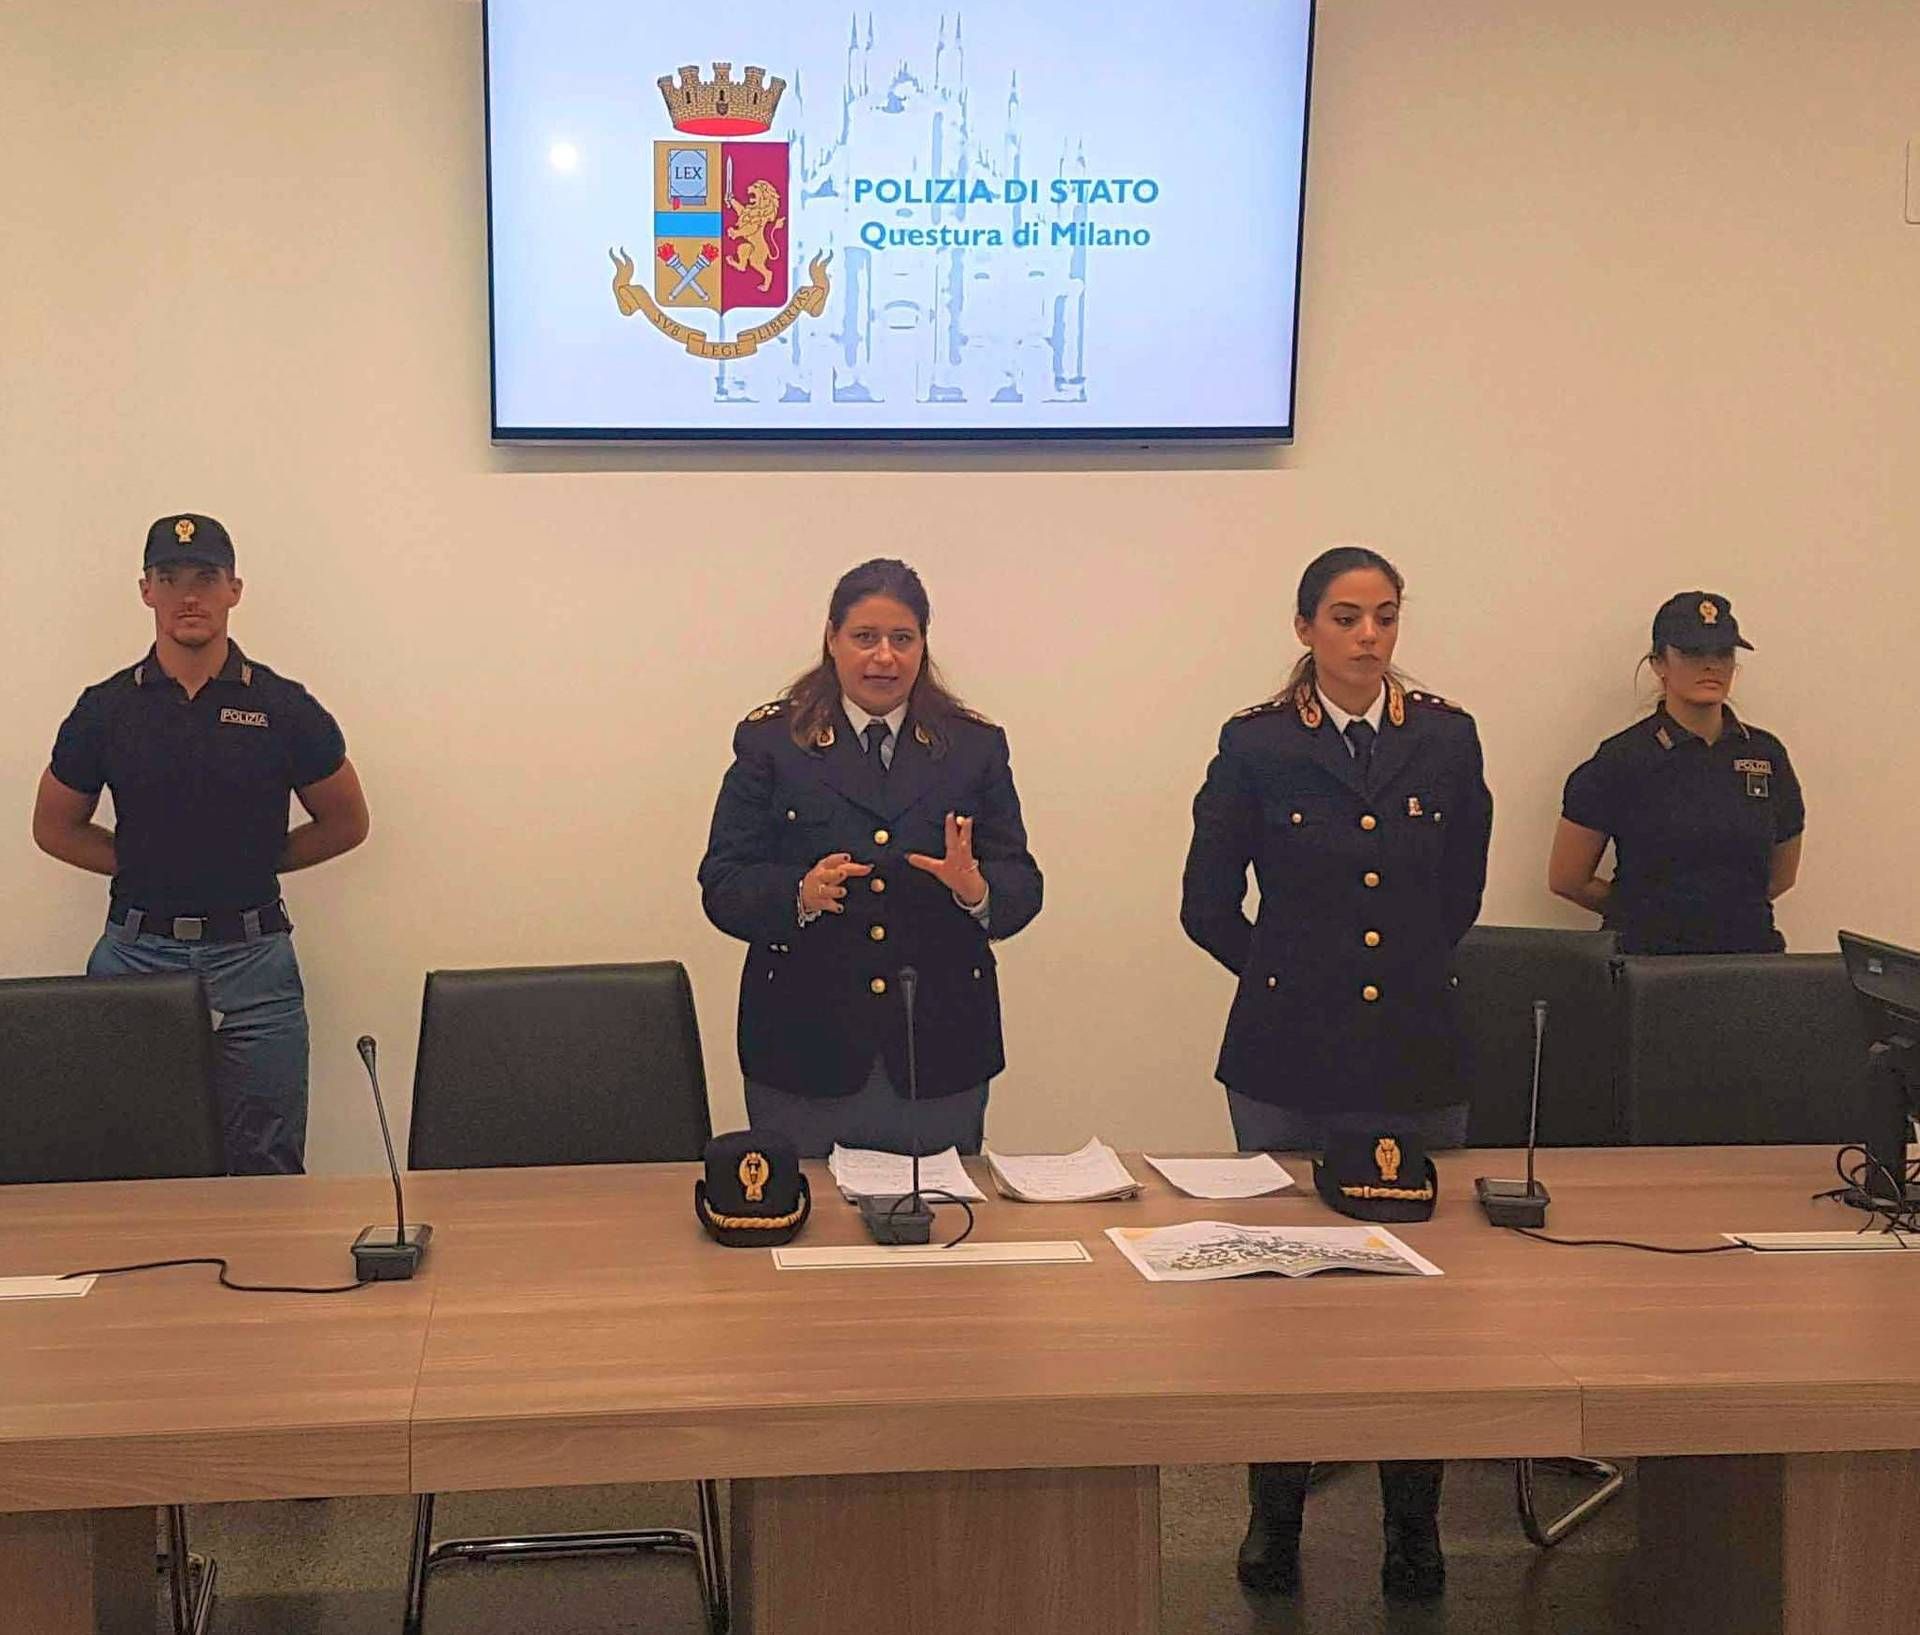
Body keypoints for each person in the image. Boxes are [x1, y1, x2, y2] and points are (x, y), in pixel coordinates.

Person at [1180, 545, 1493, 1602]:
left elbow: (1459, 891)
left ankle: (1415, 1526)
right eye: (1348, 617)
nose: (1369, 636)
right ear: (1305, 626)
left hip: (1415, 1046)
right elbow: (1206, 903)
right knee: (1284, 1291)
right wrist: (1287, 974)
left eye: (1386, 616)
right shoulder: (1259, 743)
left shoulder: (1445, 737)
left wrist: (1397, 970)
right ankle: (1274, 1517)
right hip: (1288, 1055)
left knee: (1419, 1297)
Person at [31, 514, 368, 1174]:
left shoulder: (283, 707)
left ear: (234, 589)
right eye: (170, 578)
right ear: (145, 590)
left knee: (267, 1166)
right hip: (136, 958)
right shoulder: (106, 709)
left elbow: (347, 822)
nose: (189, 596)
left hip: (255, 964)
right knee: (126, 1165)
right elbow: (54, 827)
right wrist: (146, 861)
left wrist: (254, 858)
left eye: (206, 578)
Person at [698, 558, 1042, 1159]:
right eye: (865, 637)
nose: (884, 657)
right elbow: (723, 883)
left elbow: (1022, 884)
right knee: (808, 1214)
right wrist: (798, 894)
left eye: (902, 639)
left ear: (923, 645)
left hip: (938, 1048)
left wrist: (977, 890)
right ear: (832, 639)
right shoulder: (773, 743)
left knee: (937, 1213)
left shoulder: (973, 747)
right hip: (804, 1049)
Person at [1549, 592, 1802, 953]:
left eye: (1722, 653)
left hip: (1749, 961)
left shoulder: (1766, 755)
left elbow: (1780, 876)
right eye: (1692, 652)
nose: (1710, 665)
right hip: (1650, 962)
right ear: (1658, 663)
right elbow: (1568, 879)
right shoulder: (1622, 758)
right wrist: (1650, 914)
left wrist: (1717, 916)